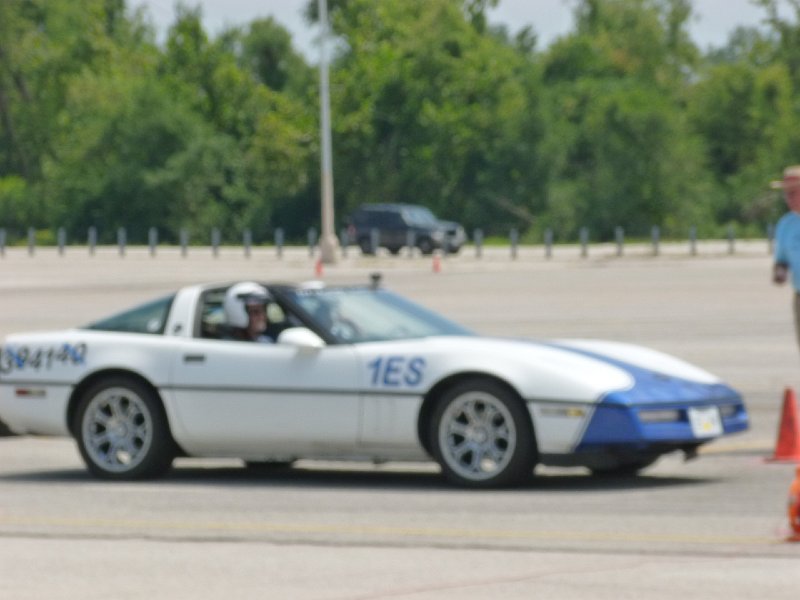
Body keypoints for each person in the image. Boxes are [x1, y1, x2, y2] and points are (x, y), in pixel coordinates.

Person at [772, 165, 800, 350]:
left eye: (794, 192)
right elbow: (781, 259)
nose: (789, 198)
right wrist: (779, 272)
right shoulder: (786, 224)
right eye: (786, 193)